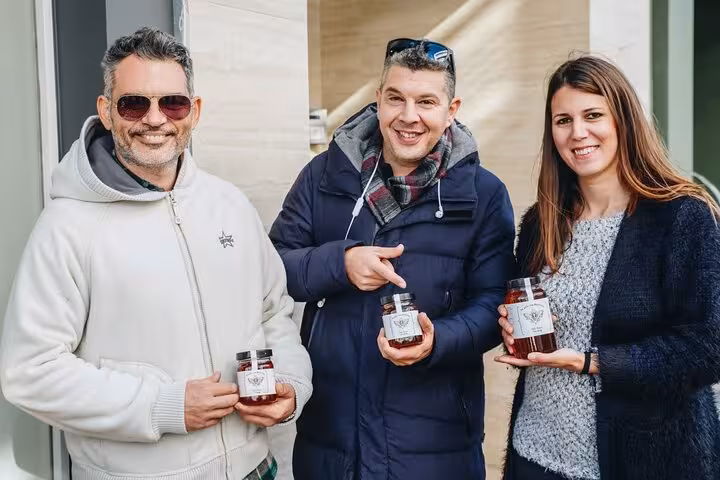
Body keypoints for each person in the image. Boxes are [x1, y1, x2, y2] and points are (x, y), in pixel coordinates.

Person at [0, 27, 312, 480]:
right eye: (133, 103)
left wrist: (291, 385)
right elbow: (30, 371)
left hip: (253, 468)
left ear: (194, 111)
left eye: (172, 102)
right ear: (106, 112)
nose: (155, 118)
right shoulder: (66, 228)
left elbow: (274, 315)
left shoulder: (230, 205)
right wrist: (161, 406)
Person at [269, 38, 515, 480]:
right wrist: (339, 264)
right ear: (378, 99)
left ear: (451, 108)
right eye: (396, 98)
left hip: (434, 451)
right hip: (331, 440)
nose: (408, 116)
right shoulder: (323, 175)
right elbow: (271, 269)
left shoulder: (484, 194)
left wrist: (436, 339)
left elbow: (492, 304)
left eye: (426, 101)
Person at [495, 55, 720, 480]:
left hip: (646, 462)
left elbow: (709, 348)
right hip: (535, 454)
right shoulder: (540, 223)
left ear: (623, 120)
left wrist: (590, 361)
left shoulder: (682, 217)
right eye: (563, 120)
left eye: (593, 115)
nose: (578, 133)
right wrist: (510, 322)